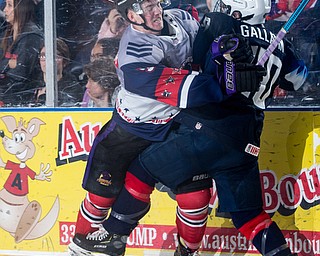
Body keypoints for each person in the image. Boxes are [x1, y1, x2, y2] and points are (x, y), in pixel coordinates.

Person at [70, 0, 308, 255]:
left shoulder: (209, 24)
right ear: (131, 15)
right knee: (249, 216)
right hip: (237, 137)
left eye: (155, 5)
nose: (155, 11)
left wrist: (224, 63)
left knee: (154, 177)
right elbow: (298, 79)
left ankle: (117, 235)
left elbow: (207, 52)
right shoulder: (134, 54)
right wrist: (233, 76)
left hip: (201, 128)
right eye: (146, 8)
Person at [0, 0, 43, 106]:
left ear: (21, 9)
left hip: (20, 101)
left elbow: (20, 75)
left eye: (9, 5)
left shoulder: (31, 37)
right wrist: (9, 64)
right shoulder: (6, 34)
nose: (5, 9)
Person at [28, 38, 83, 107]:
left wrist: (43, 98)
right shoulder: (32, 86)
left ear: (65, 61)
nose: (48, 60)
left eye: (55, 56)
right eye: (43, 56)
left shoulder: (72, 89)